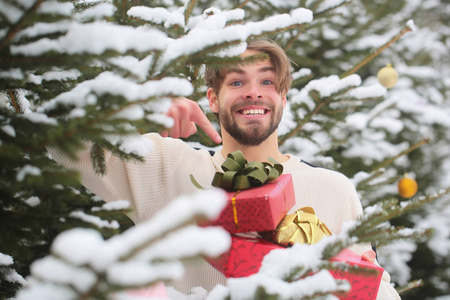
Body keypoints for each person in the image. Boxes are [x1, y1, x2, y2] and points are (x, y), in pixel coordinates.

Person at [49, 39, 400, 299]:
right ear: (213, 98)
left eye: (267, 82)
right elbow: (53, 134)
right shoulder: (168, 167)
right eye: (236, 82)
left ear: (283, 98)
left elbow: (376, 290)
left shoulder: (333, 189)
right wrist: (139, 103)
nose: (253, 93)